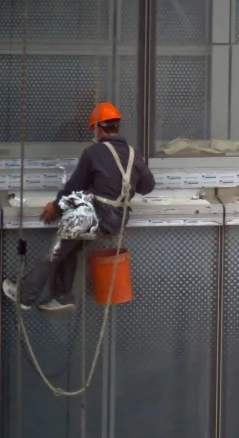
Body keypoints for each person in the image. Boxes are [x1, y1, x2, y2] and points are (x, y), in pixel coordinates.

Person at [3, 102, 155, 312]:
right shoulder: (133, 153)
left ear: (98, 128)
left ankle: (25, 296)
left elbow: (75, 185)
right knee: (70, 249)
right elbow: (148, 187)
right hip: (117, 219)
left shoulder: (94, 152)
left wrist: (56, 206)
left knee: (56, 251)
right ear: (117, 126)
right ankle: (63, 296)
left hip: (96, 217)